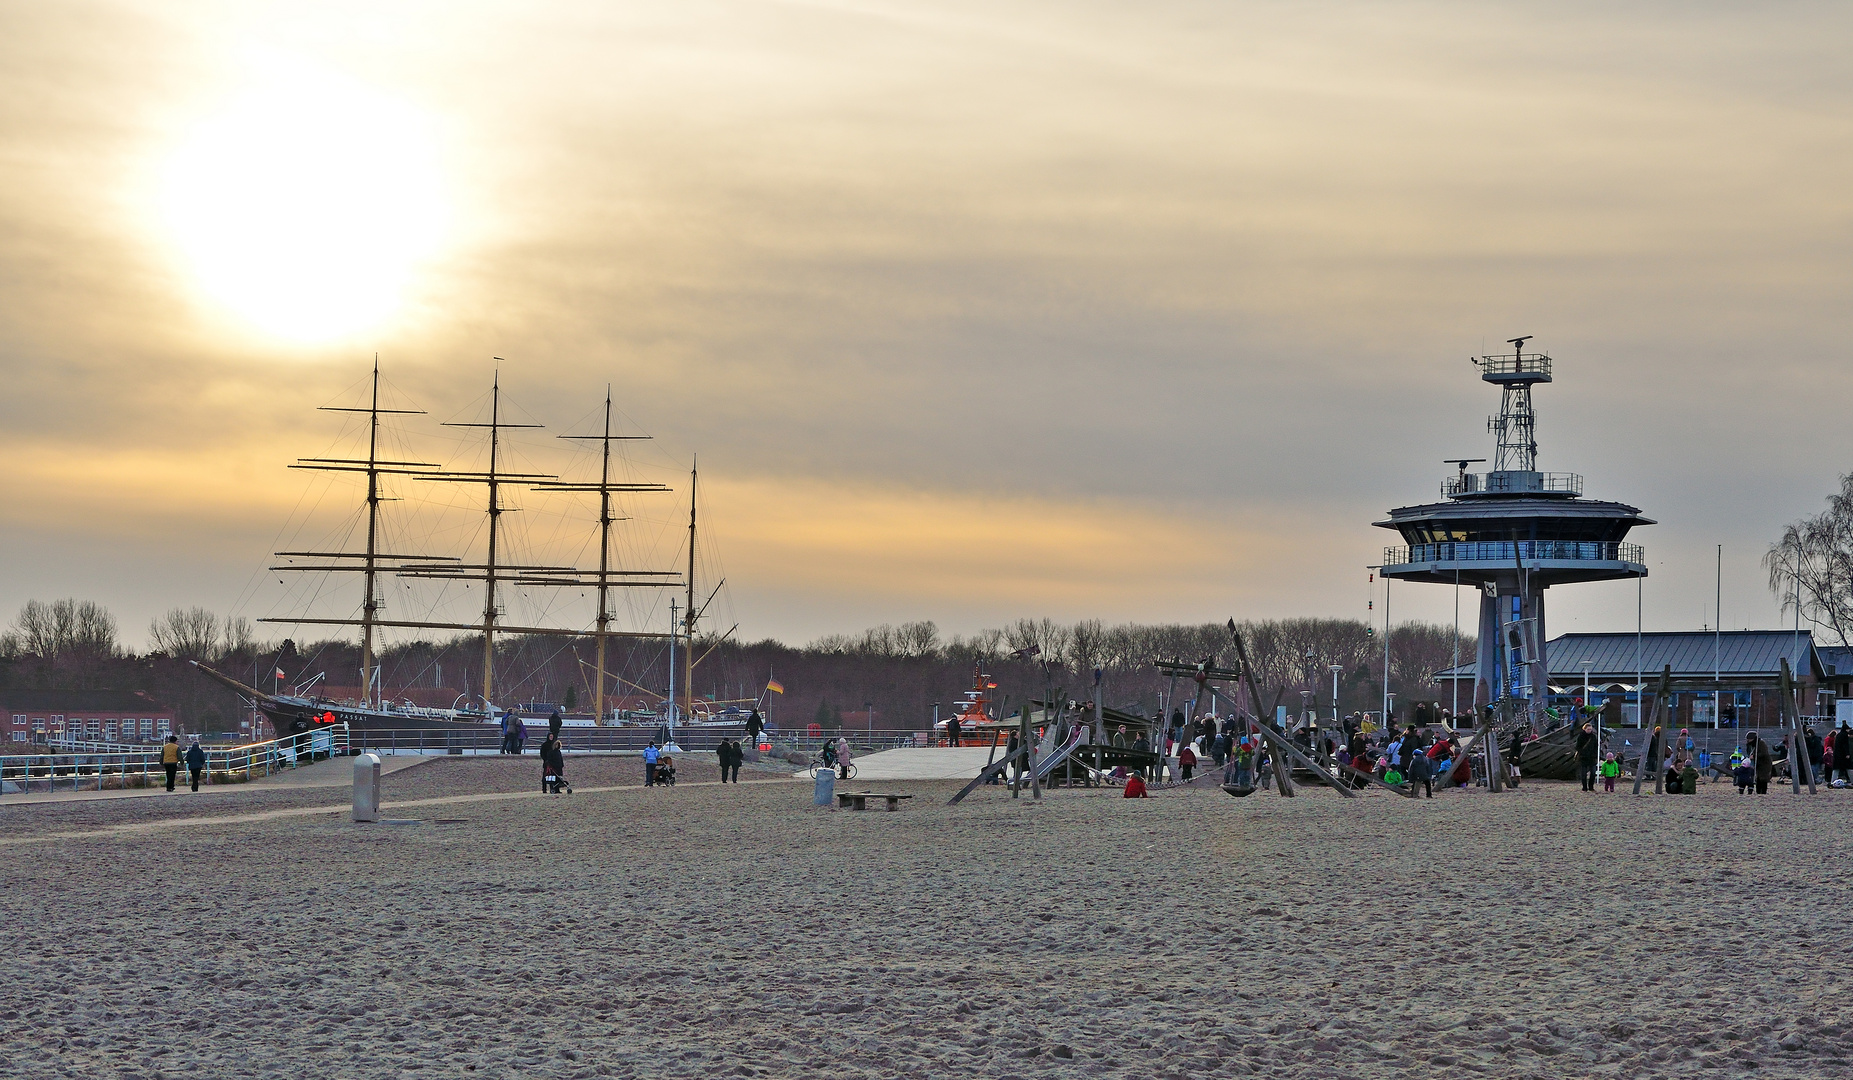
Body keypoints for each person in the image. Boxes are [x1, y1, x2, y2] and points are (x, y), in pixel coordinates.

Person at [1574, 722, 1598, 792]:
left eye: (1590, 729)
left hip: (1592, 758)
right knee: (1583, 774)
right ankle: (1584, 787)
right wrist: (1582, 753)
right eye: (1588, 729)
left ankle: (1591, 787)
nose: (1589, 731)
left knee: (1593, 773)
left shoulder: (1593, 736)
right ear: (1584, 729)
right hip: (1583, 757)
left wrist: (1594, 754)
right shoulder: (1580, 736)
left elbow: (1595, 746)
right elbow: (1577, 747)